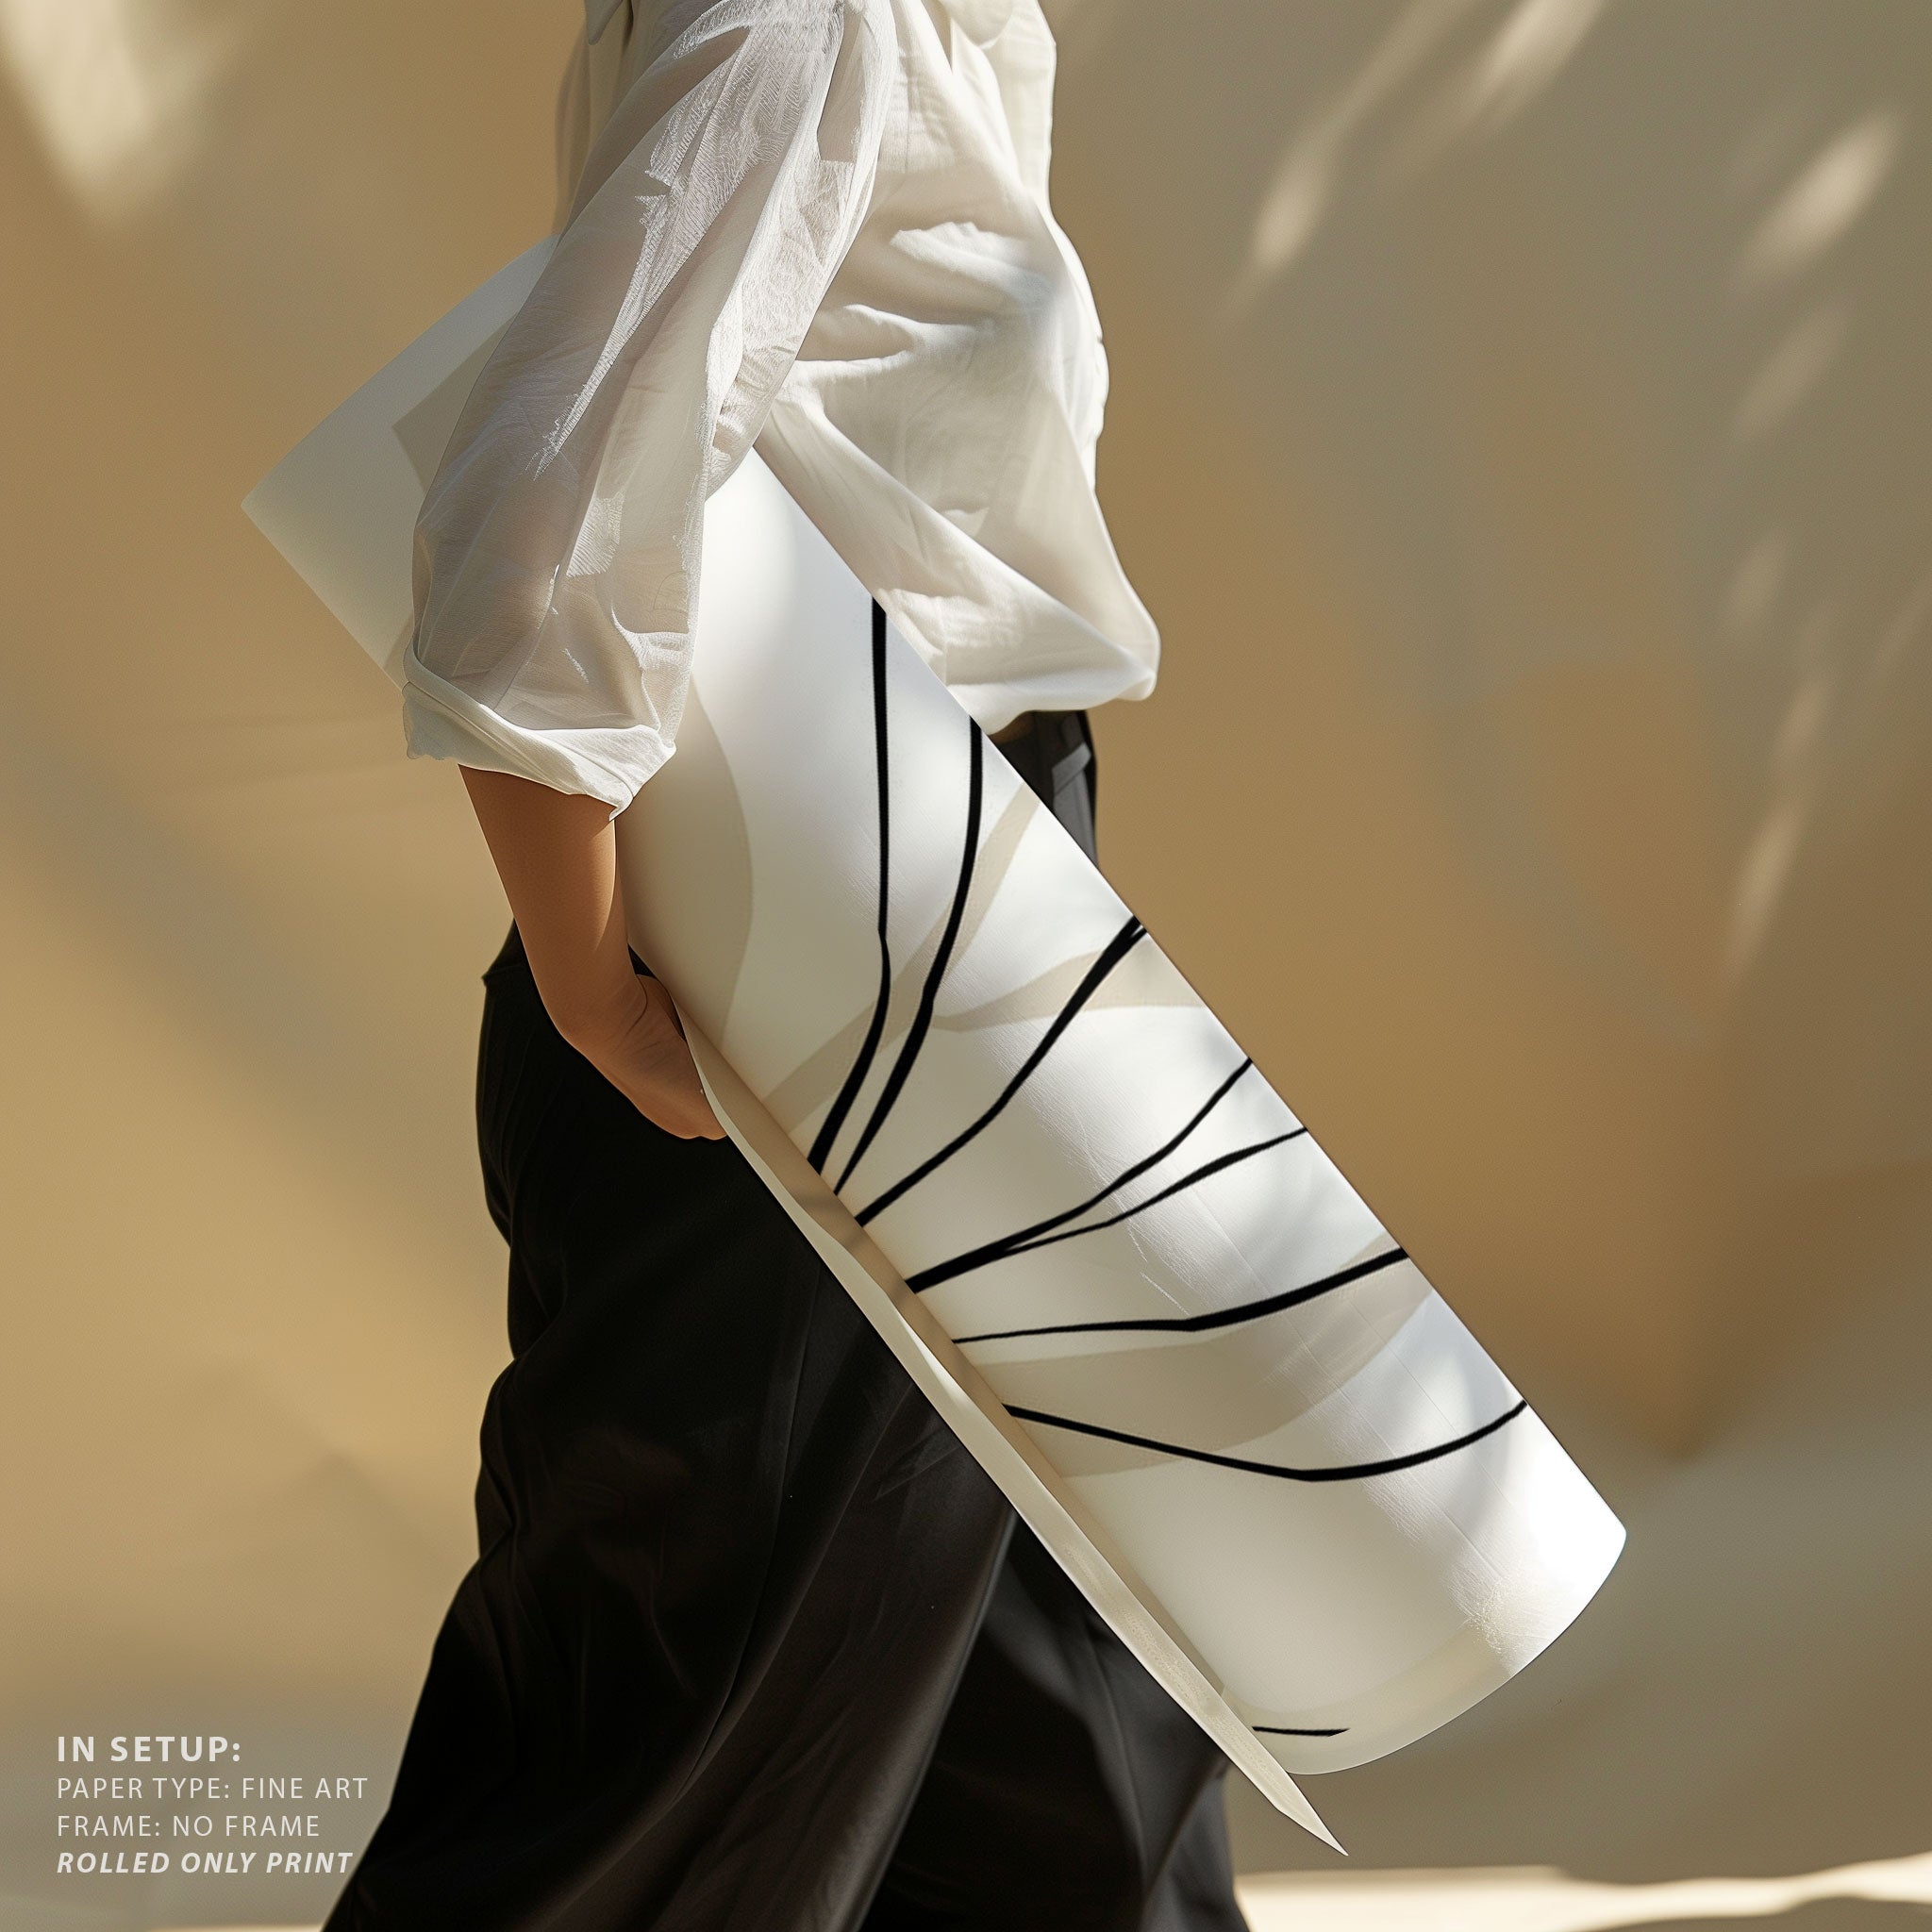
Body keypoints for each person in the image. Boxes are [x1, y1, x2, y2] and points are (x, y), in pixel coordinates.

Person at [323, 3, 1244, 1926]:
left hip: (973, 883)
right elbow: (542, 510)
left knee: (1075, 1725)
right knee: (652, 1757)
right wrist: (593, 988)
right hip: (815, 925)